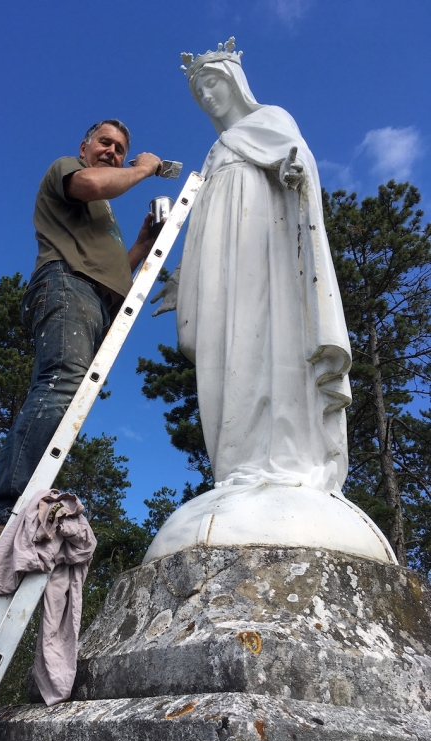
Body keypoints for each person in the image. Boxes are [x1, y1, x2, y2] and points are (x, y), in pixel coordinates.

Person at [153, 40, 352, 494]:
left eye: (211, 83)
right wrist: (184, 280)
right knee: (226, 344)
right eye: (198, 91)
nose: (205, 96)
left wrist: (293, 172)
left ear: (234, 84)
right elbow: (203, 225)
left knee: (267, 337)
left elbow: (295, 161)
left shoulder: (271, 120)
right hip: (220, 262)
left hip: (264, 250)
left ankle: (287, 456)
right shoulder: (215, 151)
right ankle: (238, 460)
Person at [0, 120, 162, 555]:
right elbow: (94, 183)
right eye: (106, 143)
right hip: (65, 285)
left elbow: (111, 272)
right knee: (61, 384)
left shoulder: (102, 218)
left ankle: (15, 506)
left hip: (92, 296)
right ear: (85, 147)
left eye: (120, 148)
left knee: (69, 393)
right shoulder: (68, 170)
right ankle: (1, 514)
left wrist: (142, 243)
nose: (113, 152)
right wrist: (145, 168)